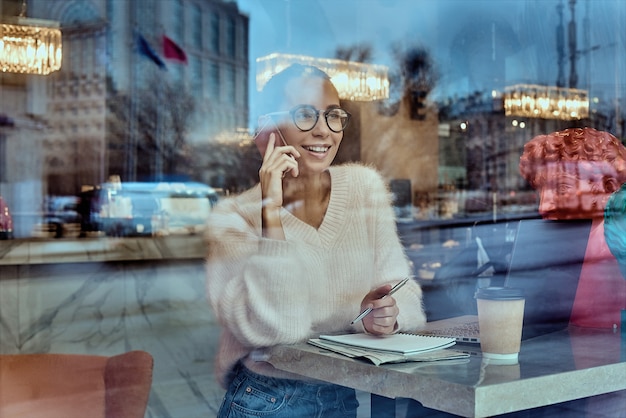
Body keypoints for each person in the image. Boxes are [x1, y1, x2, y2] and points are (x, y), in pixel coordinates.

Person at [205, 64, 426, 417]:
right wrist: (271, 210)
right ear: (270, 126)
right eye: (305, 114)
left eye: (333, 116)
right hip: (266, 401)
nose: (323, 130)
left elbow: (405, 294)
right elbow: (279, 328)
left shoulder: (364, 188)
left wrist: (380, 316)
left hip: (343, 394)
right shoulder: (234, 219)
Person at [518, 127, 626, 329]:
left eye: (561, 188)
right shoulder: (562, 247)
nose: (544, 206)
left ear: (607, 188)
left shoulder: (608, 246)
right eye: (541, 192)